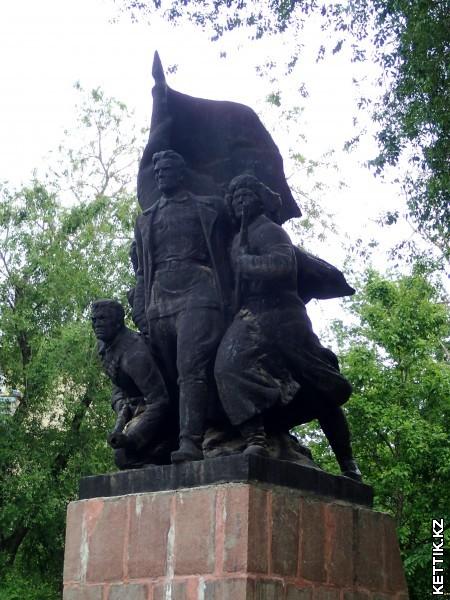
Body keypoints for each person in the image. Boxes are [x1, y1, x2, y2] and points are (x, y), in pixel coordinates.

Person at [214, 174, 362, 480]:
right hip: (251, 313)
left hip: (283, 314)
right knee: (227, 367)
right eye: (235, 197)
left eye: (246, 195)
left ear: (259, 200)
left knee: (320, 387)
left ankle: (348, 463)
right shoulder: (237, 238)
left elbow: (283, 264)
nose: (240, 201)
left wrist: (246, 263)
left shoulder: (270, 231)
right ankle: (255, 436)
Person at [132, 150, 232, 463]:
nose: (161, 175)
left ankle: (190, 442)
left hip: (199, 291)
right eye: (157, 172)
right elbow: (142, 270)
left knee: (191, 368)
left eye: (167, 170)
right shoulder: (145, 219)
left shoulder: (209, 207)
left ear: (180, 173)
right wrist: (142, 307)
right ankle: (167, 440)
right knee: (169, 374)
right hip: (160, 298)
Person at [91, 299, 173, 468]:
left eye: (103, 319)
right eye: (94, 319)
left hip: (163, 415)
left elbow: (160, 400)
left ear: (117, 322)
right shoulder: (104, 346)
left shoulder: (135, 353)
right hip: (136, 409)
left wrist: (132, 437)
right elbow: (117, 385)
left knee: (124, 456)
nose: (97, 324)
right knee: (123, 458)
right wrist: (121, 406)